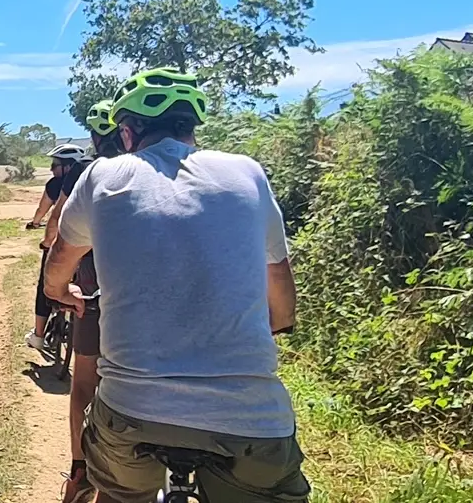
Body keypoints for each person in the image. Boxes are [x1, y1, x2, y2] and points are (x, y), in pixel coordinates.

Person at [44, 69, 308, 503]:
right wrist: (276, 323)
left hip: (132, 411)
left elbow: (59, 263)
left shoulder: (103, 176)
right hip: (251, 420)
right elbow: (280, 291)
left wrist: (60, 292)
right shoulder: (248, 174)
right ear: (192, 125)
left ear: (126, 133)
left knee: (117, 489)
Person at [54, 101, 124, 503]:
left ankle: (80, 472)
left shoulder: (94, 174)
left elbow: (60, 234)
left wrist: (57, 288)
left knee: (84, 382)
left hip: (96, 290)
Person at [26, 143, 90, 351]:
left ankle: (38, 335)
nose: (53, 169)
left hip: (65, 239)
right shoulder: (91, 180)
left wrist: (36, 225)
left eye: (56, 165)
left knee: (45, 284)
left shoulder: (56, 185)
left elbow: (44, 210)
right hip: (90, 243)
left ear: (67, 167)